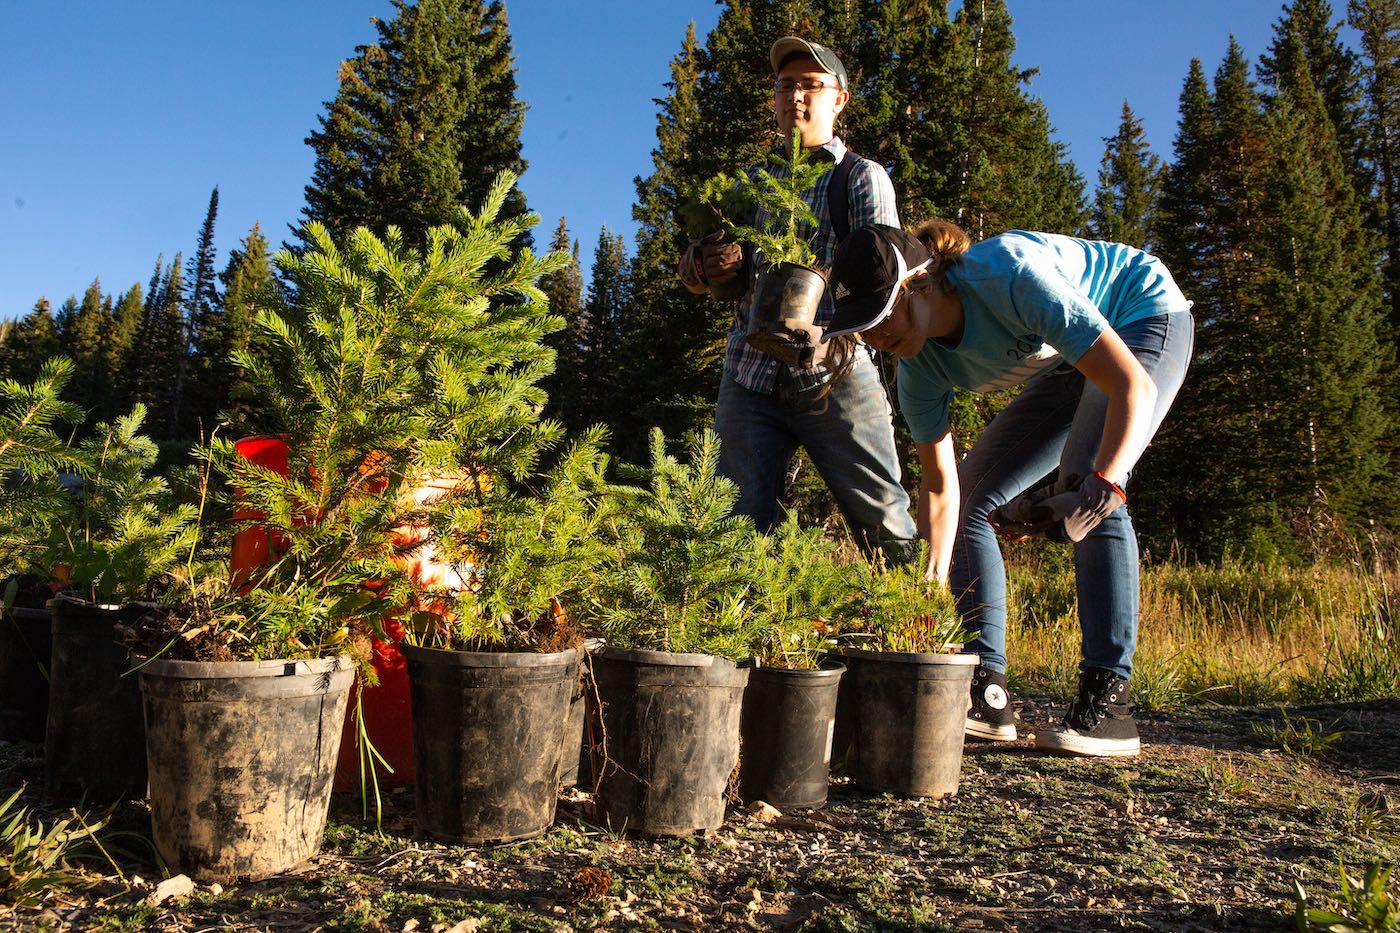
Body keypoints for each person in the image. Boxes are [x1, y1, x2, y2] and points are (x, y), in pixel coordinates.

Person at [826, 221, 1194, 757]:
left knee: (1088, 478)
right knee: (977, 497)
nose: (876, 339)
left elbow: (1128, 383)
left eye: (883, 318)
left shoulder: (1011, 276)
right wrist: (934, 570)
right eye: (863, 329)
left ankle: (1109, 702)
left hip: (1141, 315)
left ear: (923, 283)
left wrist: (1103, 485)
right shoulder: (918, 369)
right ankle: (986, 691)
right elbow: (942, 488)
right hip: (1071, 359)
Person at [678, 36, 916, 557]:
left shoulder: (860, 177)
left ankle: (908, 623)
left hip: (838, 373)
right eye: (787, 86)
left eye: (811, 85)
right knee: (734, 529)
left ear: (839, 99)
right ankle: (740, 630)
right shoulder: (749, 185)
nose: (797, 97)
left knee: (883, 518)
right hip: (749, 373)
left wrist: (829, 313)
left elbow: (885, 278)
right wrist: (704, 264)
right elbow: (697, 273)